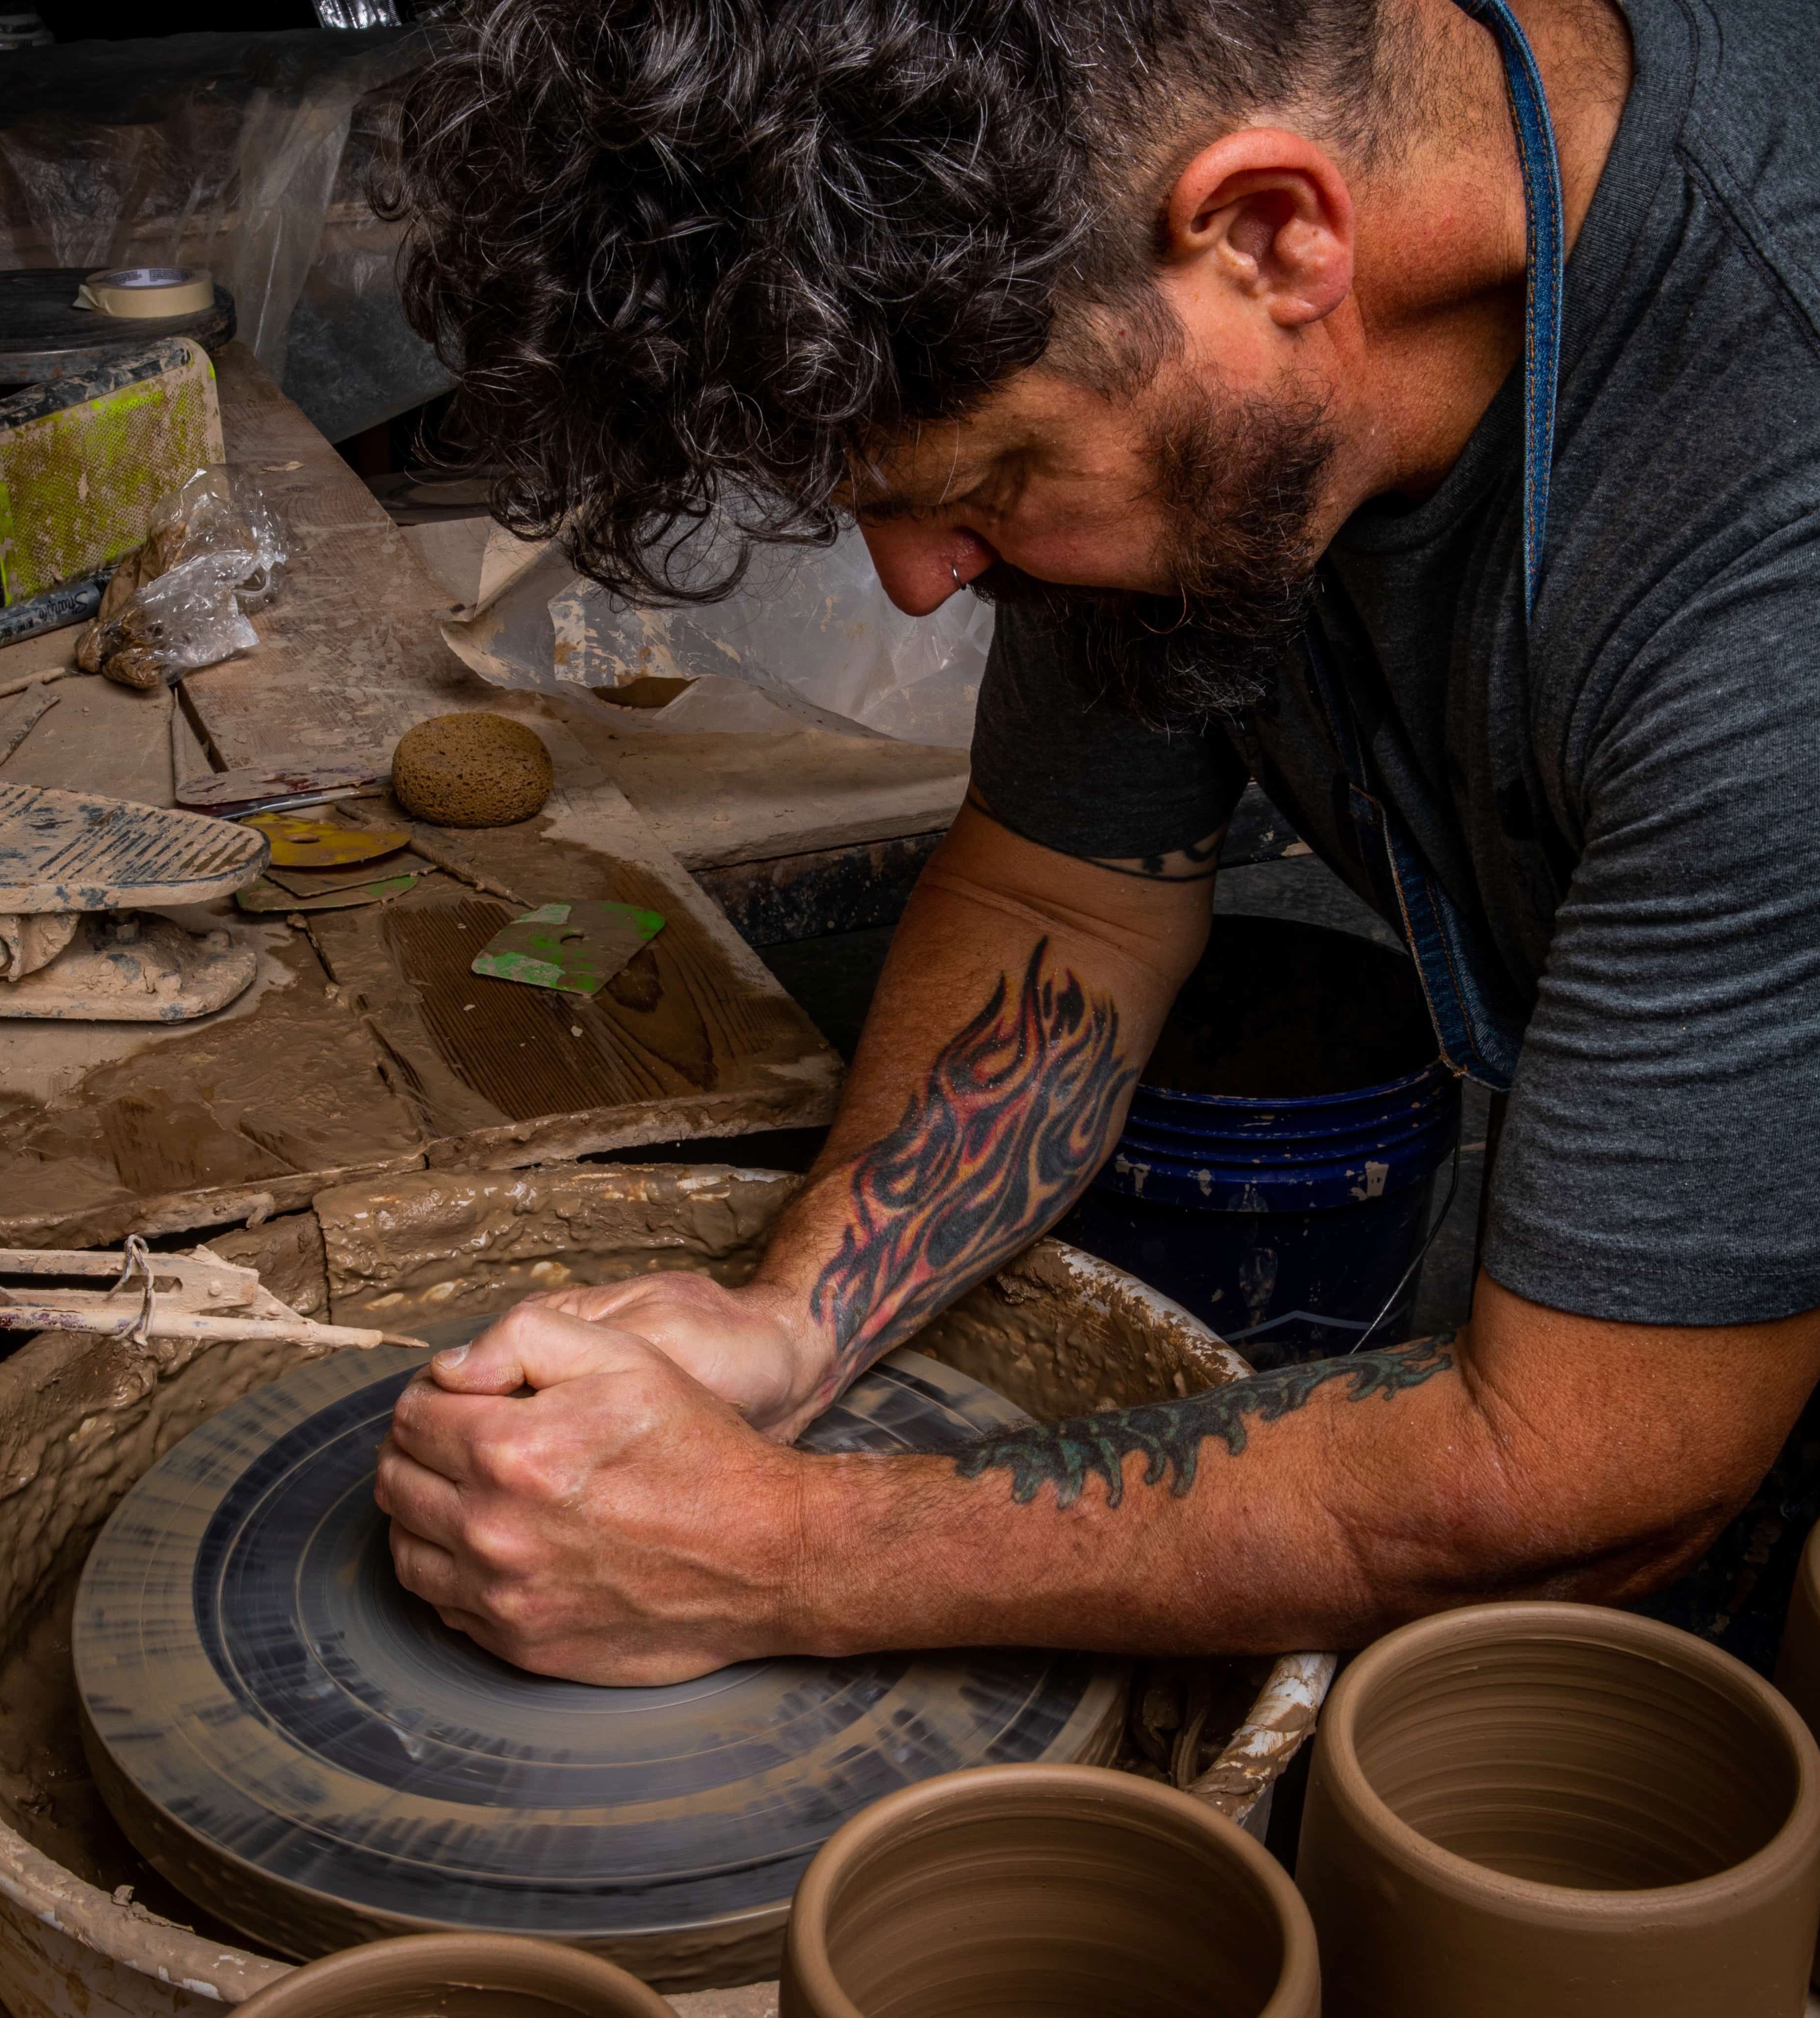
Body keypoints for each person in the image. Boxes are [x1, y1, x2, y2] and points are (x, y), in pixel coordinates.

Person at [372, 0, 1820, 1685]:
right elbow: (1066, 893)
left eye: (980, 484)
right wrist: (795, 1320)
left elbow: (1585, 1470)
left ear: (1276, 235)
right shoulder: (1141, 297)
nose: (920, 586)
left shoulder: (1767, 563)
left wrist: (778, 1557)